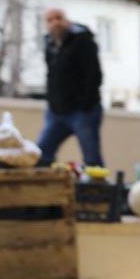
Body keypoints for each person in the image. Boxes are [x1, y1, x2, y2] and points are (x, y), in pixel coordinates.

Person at [36, 9, 104, 166]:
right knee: (41, 153)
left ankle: (97, 189)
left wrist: (86, 104)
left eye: (59, 18)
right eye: (50, 20)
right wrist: (52, 102)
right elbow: (51, 75)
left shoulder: (82, 40)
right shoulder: (49, 43)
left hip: (82, 112)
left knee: (91, 158)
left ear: (67, 20)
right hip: (56, 111)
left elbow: (94, 74)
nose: (55, 23)